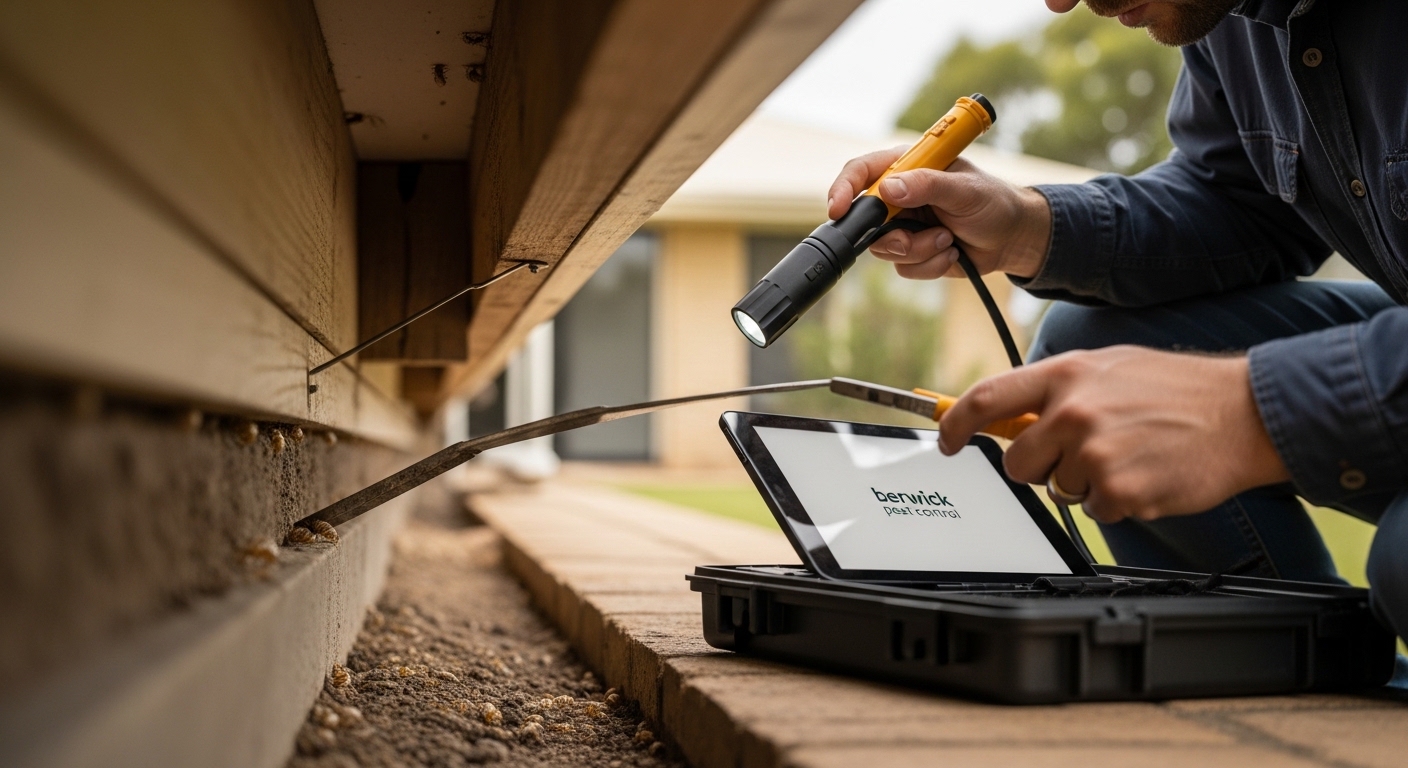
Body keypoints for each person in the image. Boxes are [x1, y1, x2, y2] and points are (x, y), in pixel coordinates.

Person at [827, 0, 1408, 645]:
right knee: (1087, 343)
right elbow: (1240, 202)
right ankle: (1300, 676)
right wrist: (1023, 228)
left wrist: (1249, 411)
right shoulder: (1224, 21)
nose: (1061, 2)